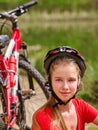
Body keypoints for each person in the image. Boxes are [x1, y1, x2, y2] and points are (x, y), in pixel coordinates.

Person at [31, 46, 98, 130]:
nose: (65, 87)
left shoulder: (81, 106)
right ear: (50, 81)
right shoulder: (43, 117)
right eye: (59, 80)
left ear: (78, 80)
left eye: (71, 80)